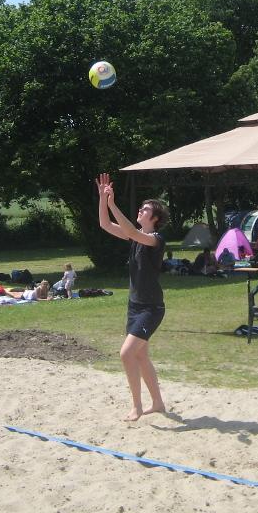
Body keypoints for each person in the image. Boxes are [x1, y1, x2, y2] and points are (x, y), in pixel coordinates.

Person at [95, 172, 168, 421]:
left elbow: (132, 232)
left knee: (127, 353)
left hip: (151, 308)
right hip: (135, 306)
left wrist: (113, 203)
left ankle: (136, 406)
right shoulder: (136, 236)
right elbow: (105, 225)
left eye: (145, 209)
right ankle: (157, 403)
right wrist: (103, 199)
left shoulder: (155, 240)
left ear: (155, 218)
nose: (140, 210)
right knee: (140, 355)